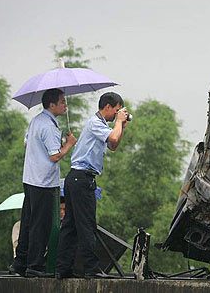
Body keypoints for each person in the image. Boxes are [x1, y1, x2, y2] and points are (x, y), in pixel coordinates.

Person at [56, 92, 128, 279]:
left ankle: (63, 268)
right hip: (82, 179)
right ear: (107, 107)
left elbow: (113, 146)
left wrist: (122, 125)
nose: (117, 115)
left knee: (70, 225)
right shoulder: (95, 123)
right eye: (117, 110)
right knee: (87, 224)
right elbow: (113, 138)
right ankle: (91, 268)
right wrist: (119, 122)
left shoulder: (102, 126)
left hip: (77, 179)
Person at [9, 89, 77, 277]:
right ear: (52, 105)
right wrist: (69, 144)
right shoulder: (49, 126)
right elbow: (55, 156)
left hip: (30, 179)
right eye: (62, 102)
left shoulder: (36, 121)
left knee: (29, 222)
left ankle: (19, 263)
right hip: (44, 183)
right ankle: (34, 266)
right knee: (41, 225)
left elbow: (26, 143)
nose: (66, 105)